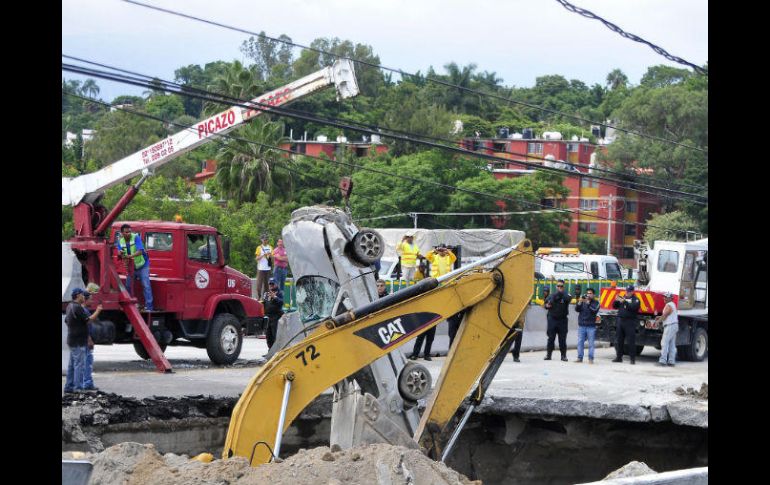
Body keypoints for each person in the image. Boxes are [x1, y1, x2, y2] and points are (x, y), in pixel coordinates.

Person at [410, 245, 456, 361]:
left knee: (430, 337)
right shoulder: (435, 257)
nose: (441, 252)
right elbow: (428, 256)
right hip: (436, 281)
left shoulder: (448, 258)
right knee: (422, 336)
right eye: (440, 250)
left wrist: (447, 252)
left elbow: (454, 258)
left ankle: (426, 354)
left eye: (443, 250)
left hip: (445, 281)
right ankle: (416, 353)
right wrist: (435, 251)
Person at [64, 288, 103, 393]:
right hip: (78, 341)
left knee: (72, 366)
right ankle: (78, 388)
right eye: (82, 295)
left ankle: (69, 387)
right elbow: (88, 320)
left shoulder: (69, 306)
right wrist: (98, 311)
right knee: (79, 366)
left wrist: (75, 328)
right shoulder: (77, 308)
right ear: (78, 295)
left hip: (72, 340)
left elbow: (66, 321)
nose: (83, 297)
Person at [116, 224, 153, 311]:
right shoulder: (120, 241)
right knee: (128, 285)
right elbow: (119, 252)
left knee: (146, 284)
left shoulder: (136, 237)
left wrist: (129, 256)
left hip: (143, 265)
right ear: (122, 233)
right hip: (132, 266)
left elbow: (140, 251)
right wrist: (120, 253)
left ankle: (149, 307)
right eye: (126, 232)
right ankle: (130, 305)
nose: (128, 233)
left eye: (129, 231)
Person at [612, 285, 641, 364]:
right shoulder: (623, 298)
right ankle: (619, 357)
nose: (627, 293)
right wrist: (616, 300)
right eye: (626, 291)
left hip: (630, 322)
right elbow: (614, 306)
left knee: (631, 341)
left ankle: (632, 359)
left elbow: (633, 308)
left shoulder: (636, 300)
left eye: (629, 291)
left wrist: (624, 301)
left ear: (632, 291)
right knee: (619, 340)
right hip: (620, 321)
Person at [544, 280, 571, 361]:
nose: (560, 287)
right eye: (558, 286)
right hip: (552, 320)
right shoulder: (551, 295)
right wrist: (548, 305)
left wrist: (560, 294)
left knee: (562, 339)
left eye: (561, 286)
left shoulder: (566, 294)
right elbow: (546, 305)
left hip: (562, 320)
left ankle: (563, 356)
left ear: (563, 287)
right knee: (551, 338)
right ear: (556, 287)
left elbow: (568, 299)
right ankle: (549, 355)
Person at [574, 288, 600, 363]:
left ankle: (591, 358)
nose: (588, 295)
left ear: (593, 295)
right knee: (580, 342)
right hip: (582, 325)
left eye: (590, 293)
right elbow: (577, 309)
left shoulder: (596, 302)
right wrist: (579, 302)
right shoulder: (583, 301)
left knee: (591, 343)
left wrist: (588, 303)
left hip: (591, 326)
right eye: (587, 293)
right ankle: (580, 358)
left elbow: (594, 310)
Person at [655, 292, 679, 366]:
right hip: (674, 325)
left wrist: (658, 321)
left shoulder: (669, 305)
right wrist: (660, 317)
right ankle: (671, 361)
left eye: (666, 297)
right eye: (664, 297)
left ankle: (663, 360)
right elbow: (668, 314)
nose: (664, 298)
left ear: (670, 298)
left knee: (664, 343)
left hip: (670, 325)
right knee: (672, 344)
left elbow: (665, 314)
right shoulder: (672, 305)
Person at [262, 278, 284, 349]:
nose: (271, 285)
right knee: (268, 335)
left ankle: (276, 351)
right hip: (267, 317)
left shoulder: (280, 293)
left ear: (276, 284)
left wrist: (275, 297)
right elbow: (264, 304)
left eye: (272, 284)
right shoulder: (266, 294)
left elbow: (282, 302)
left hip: (275, 317)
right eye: (270, 284)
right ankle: (270, 351)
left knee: (275, 335)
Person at [254, 234, 273, 300]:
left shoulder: (270, 247)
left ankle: (265, 299)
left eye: (266, 239)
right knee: (259, 285)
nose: (265, 241)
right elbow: (256, 258)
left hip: (268, 269)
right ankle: (258, 298)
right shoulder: (259, 248)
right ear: (261, 240)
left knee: (267, 286)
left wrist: (270, 255)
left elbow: (272, 257)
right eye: (264, 239)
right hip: (261, 269)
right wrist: (263, 255)